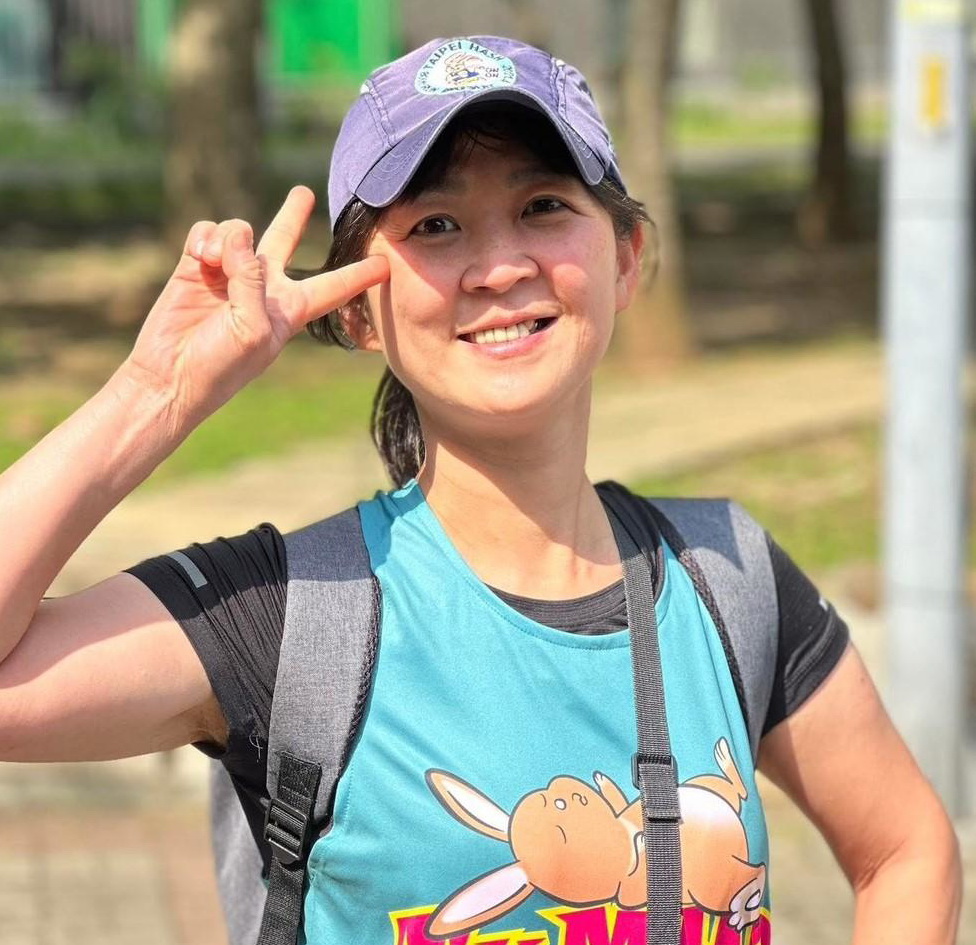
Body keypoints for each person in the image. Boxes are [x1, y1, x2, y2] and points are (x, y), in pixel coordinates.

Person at [0, 34, 960, 945]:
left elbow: (905, 847)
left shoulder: (727, 576)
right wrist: (156, 394)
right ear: (359, 309)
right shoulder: (296, 618)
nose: (500, 267)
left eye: (543, 205)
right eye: (437, 225)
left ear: (625, 258)